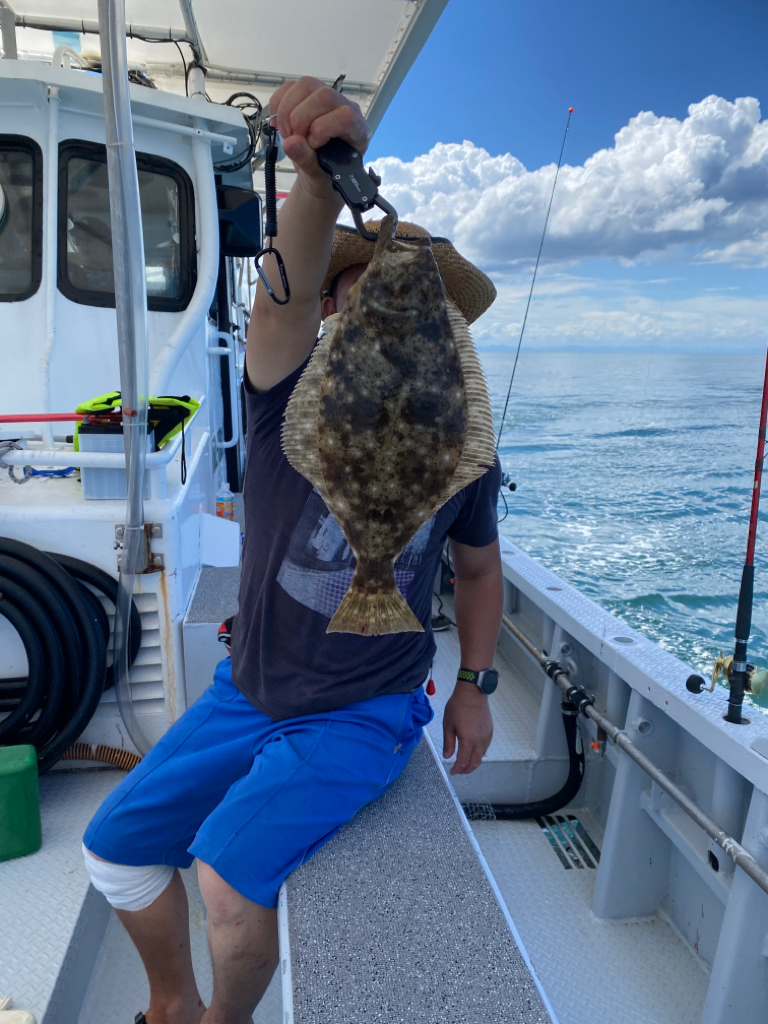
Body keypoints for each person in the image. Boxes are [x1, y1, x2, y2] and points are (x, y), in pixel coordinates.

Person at [81, 77, 503, 1024]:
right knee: (114, 851)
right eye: (360, 291)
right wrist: (315, 182)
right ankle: (173, 1004)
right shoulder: (281, 390)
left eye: (419, 304)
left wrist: (475, 684)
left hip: (365, 712)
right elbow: (279, 307)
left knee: (224, 880)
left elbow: (478, 569)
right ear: (328, 309)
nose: (385, 311)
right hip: (250, 685)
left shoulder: (462, 443)